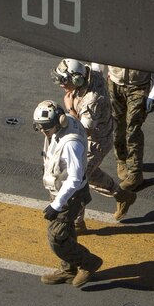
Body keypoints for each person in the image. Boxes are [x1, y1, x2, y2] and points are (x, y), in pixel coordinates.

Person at [54, 59, 137, 230]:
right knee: (88, 175)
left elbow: (83, 132)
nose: (61, 84)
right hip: (97, 133)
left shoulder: (92, 100)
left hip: (94, 142)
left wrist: (70, 108)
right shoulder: (90, 74)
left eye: (64, 80)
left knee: (75, 179)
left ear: (77, 79)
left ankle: (76, 223)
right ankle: (121, 195)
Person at [33, 99, 102, 287]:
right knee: (67, 231)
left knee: (56, 236)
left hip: (71, 195)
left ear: (60, 121)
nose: (43, 132)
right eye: (40, 127)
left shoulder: (71, 144)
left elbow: (74, 178)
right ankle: (68, 269)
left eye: (46, 127)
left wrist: (57, 205)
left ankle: (88, 262)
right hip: (60, 191)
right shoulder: (59, 128)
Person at [104, 66, 154, 191]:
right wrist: (97, 80)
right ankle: (122, 159)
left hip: (139, 86)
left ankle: (135, 173)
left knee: (133, 130)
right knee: (117, 126)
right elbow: (101, 55)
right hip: (114, 83)